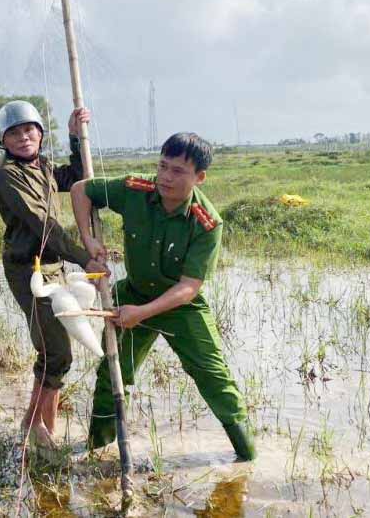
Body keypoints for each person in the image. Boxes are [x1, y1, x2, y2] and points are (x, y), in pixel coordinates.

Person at [70, 132, 255, 461]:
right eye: (162, 166)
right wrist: (88, 238)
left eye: (178, 171)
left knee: (214, 378)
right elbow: (81, 190)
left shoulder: (207, 223)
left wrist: (143, 312)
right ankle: (98, 451)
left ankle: (247, 457)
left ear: (199, 177)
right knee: (111, 373)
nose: (165, 178)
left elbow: (189, 287)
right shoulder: (136, 190)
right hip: (133, 294)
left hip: (178, 305)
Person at [0, 100, 109, 448]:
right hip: (28, 268)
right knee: (57, 353)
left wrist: (76, 138)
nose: (24, 137)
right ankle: (37, 426)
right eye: (14, 133)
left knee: (55, 352)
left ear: (41, 134)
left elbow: (75, 178)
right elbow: (43, 226)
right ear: (3, 140)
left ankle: (38, 425)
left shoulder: (42, 166)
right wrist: (84, 258)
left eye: (30, 130)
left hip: (53, 267)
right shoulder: (8, 176)